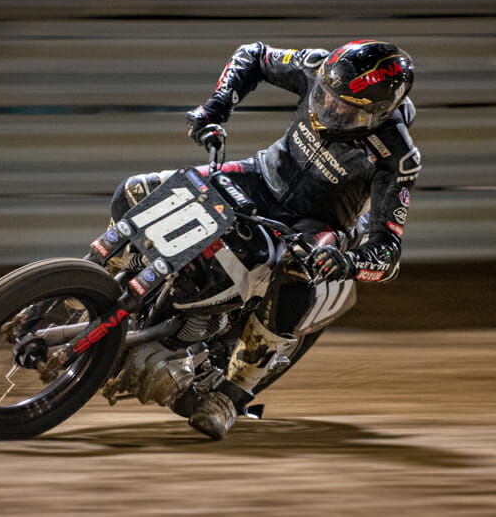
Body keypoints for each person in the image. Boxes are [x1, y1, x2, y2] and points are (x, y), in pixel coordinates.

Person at [110, 39, 421, 439]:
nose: (329, 107)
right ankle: (100, 280)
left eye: (345, 108)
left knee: (299, 274)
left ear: (381, 112)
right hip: (258, 175)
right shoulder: (318, 66)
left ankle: (231, 394)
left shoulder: (398, 157)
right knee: (135, 190)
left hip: (315, 224)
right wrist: (216, 107)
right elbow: (252, 54)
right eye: (324, 95)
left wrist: (347, 262)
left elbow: (389, 254)